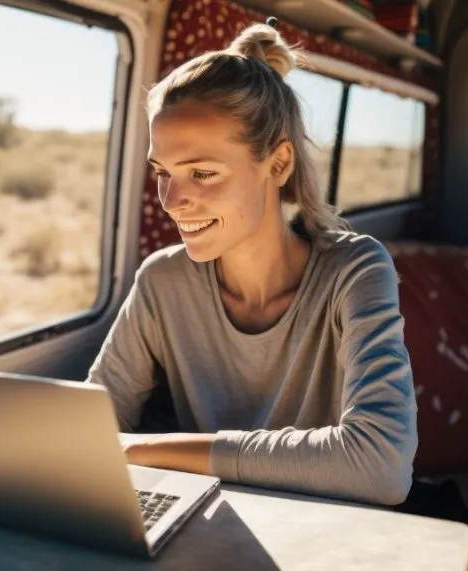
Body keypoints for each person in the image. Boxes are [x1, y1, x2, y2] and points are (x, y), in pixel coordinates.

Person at [85, 21, 418, 507]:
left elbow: (382, 465)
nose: (172, 200)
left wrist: (141, 450)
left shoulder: (356, 270)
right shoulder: (162, 280)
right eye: (163, 173)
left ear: (279, 164)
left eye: (202, 172)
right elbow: (91, 432)